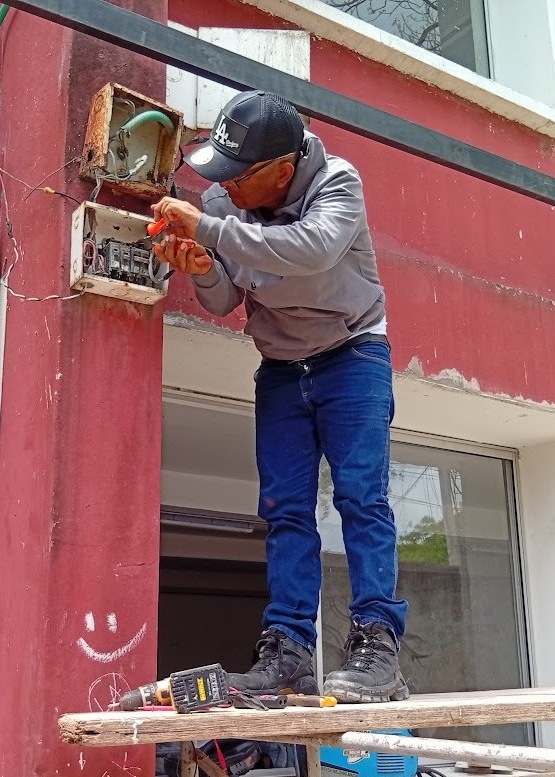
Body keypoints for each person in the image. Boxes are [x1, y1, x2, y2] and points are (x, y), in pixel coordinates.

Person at [152, 90, 409, 704]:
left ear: (282, 169)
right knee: (285, 510)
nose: (223, 185)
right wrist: (201, 266)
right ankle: (289, 651)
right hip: (281, 368)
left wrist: (207, 229)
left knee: (361, 499)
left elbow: (310, 249)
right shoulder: (223, 203)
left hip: (353, 355)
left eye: (238, 174)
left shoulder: (336, 183)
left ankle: (378, 648)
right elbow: (224, 301)